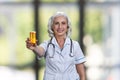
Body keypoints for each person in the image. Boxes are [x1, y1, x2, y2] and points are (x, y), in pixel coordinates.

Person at [26, 12, 86, 80]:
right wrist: (35, 48)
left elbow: (81, 72)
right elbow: (40, 51)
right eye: (57, 23)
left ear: (67, 26)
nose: (60, 27)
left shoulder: (75, 45)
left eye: (63, 23)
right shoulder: (47, 44)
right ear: (52, 26)